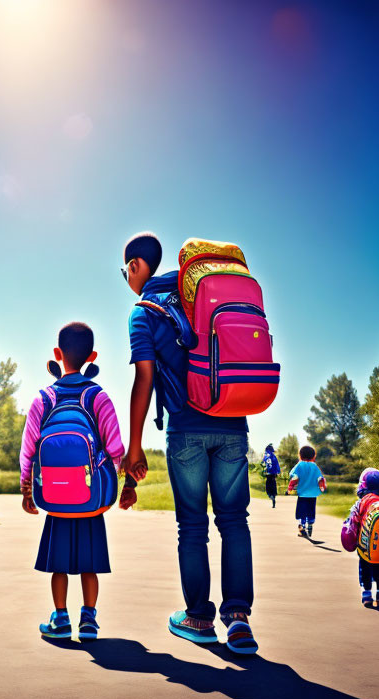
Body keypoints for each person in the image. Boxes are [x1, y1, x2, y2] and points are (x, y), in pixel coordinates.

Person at [122, 232, 258, 655]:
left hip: (186, 429)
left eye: (124, 270)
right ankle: (238, 620)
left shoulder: (143, 311)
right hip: (234, 421)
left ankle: (198, 617)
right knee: (235, 520)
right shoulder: (203, 296)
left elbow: (144, 379)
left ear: (134, 267)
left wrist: (135, 445)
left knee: (193, 525)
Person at [20, 322, 126, 640]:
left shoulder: (44, 398)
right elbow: (116, 448)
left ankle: (61, 618)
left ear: (58, 354)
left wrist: (27, 488)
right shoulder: (98, 397)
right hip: (90, 499)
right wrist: (119, 482)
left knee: (59, 565)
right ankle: (89, 620)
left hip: (55, 498)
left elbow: (29, 449)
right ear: (92, 356)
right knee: (90, 564)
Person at [341, 468, 379, 608]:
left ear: (362, 485)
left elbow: (353, 521)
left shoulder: (361, 503)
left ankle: (367, 594)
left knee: (365, 565)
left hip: (365, 544)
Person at [286, 445, 327, 537]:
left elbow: (294, 478)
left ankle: (302, 526)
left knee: (302, 511)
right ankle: (310, 524)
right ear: (313, 456)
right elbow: (320, 479)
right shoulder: (315, 466)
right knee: (311, 510)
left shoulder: (299, 465)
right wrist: (322, 488)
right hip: (313, 494)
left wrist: (289, 489)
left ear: (300, 456)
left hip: (303, 494)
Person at [262, 444, 280, 508]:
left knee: (268, 486)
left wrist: (264, 470)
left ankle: (270, 495)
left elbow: (262, 463)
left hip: (268, 474)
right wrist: (278, 471)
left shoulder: (265, 456)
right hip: (273, 474)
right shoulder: (273, 456)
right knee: (273, 485)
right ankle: (273, 497)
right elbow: (277, 464)